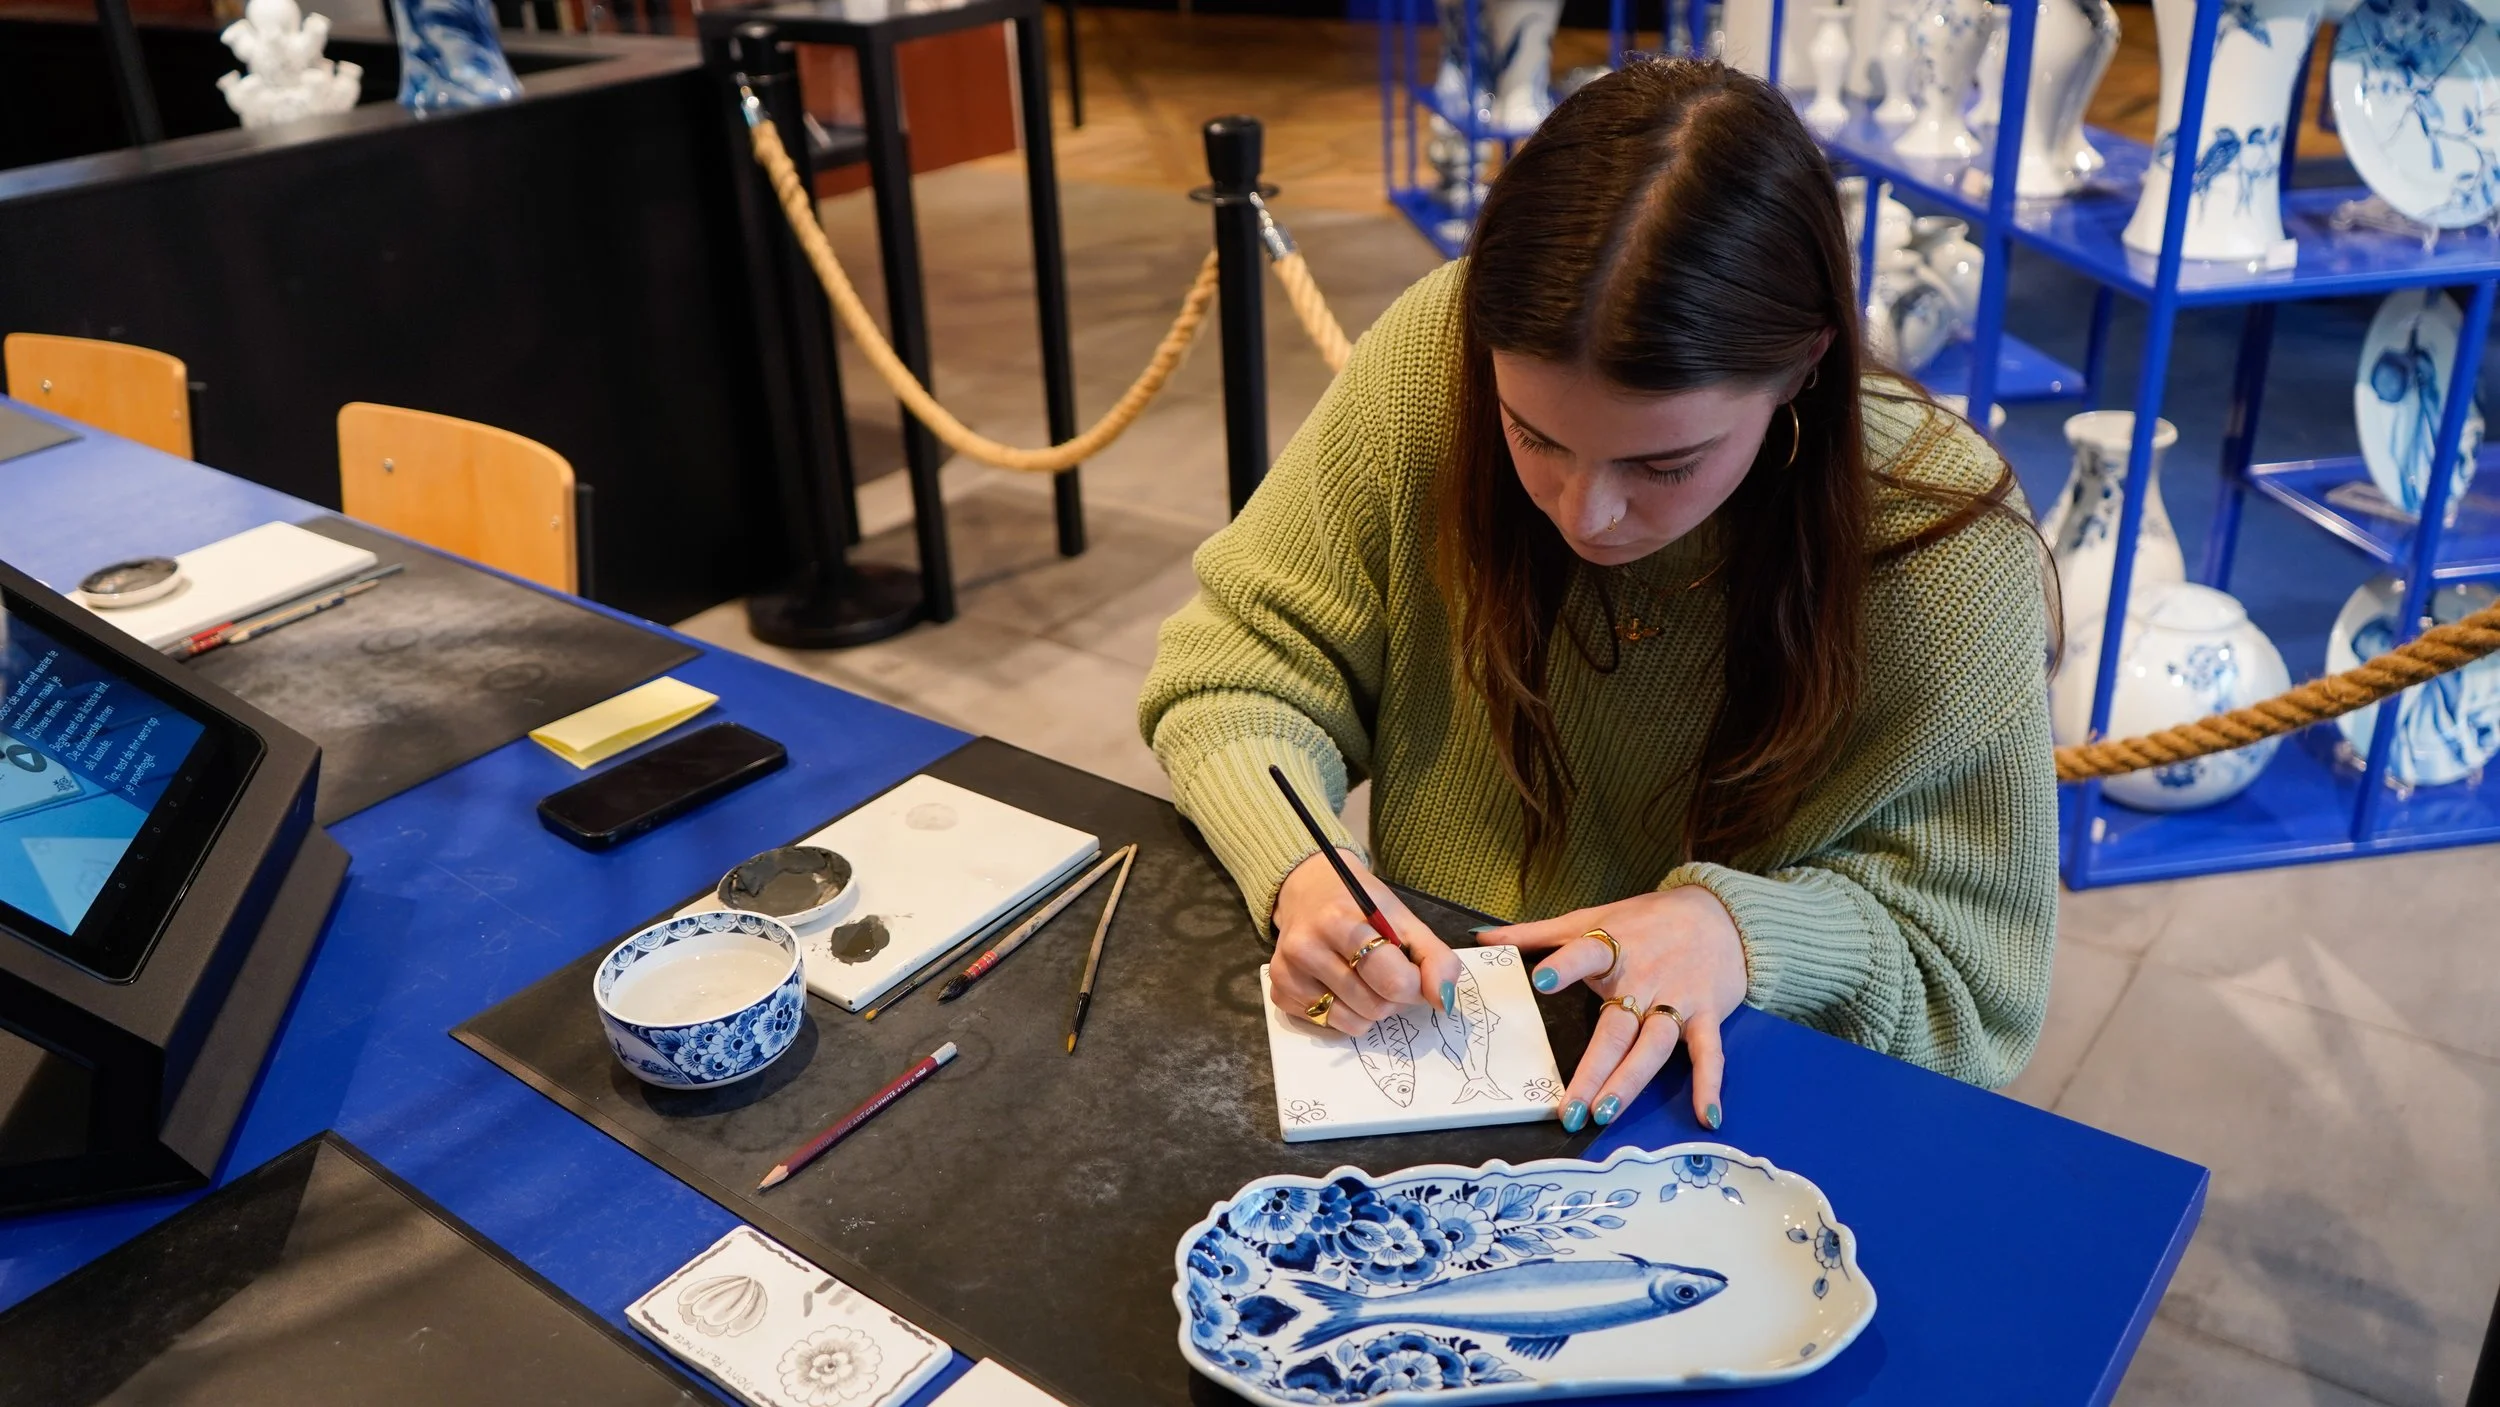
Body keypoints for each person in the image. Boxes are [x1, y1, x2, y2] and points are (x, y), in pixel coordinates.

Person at [1137, 59, 2056, 1136]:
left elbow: (1977, 982)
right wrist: (1304, 867)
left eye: (1665, 466)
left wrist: (1743, 932)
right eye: (1534, 437)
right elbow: (1236, 668)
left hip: (1737, 1091)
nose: (1587, 515)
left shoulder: (1939, 548)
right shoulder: (1437, 363)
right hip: (1442, 1034)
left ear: (1804, 365)